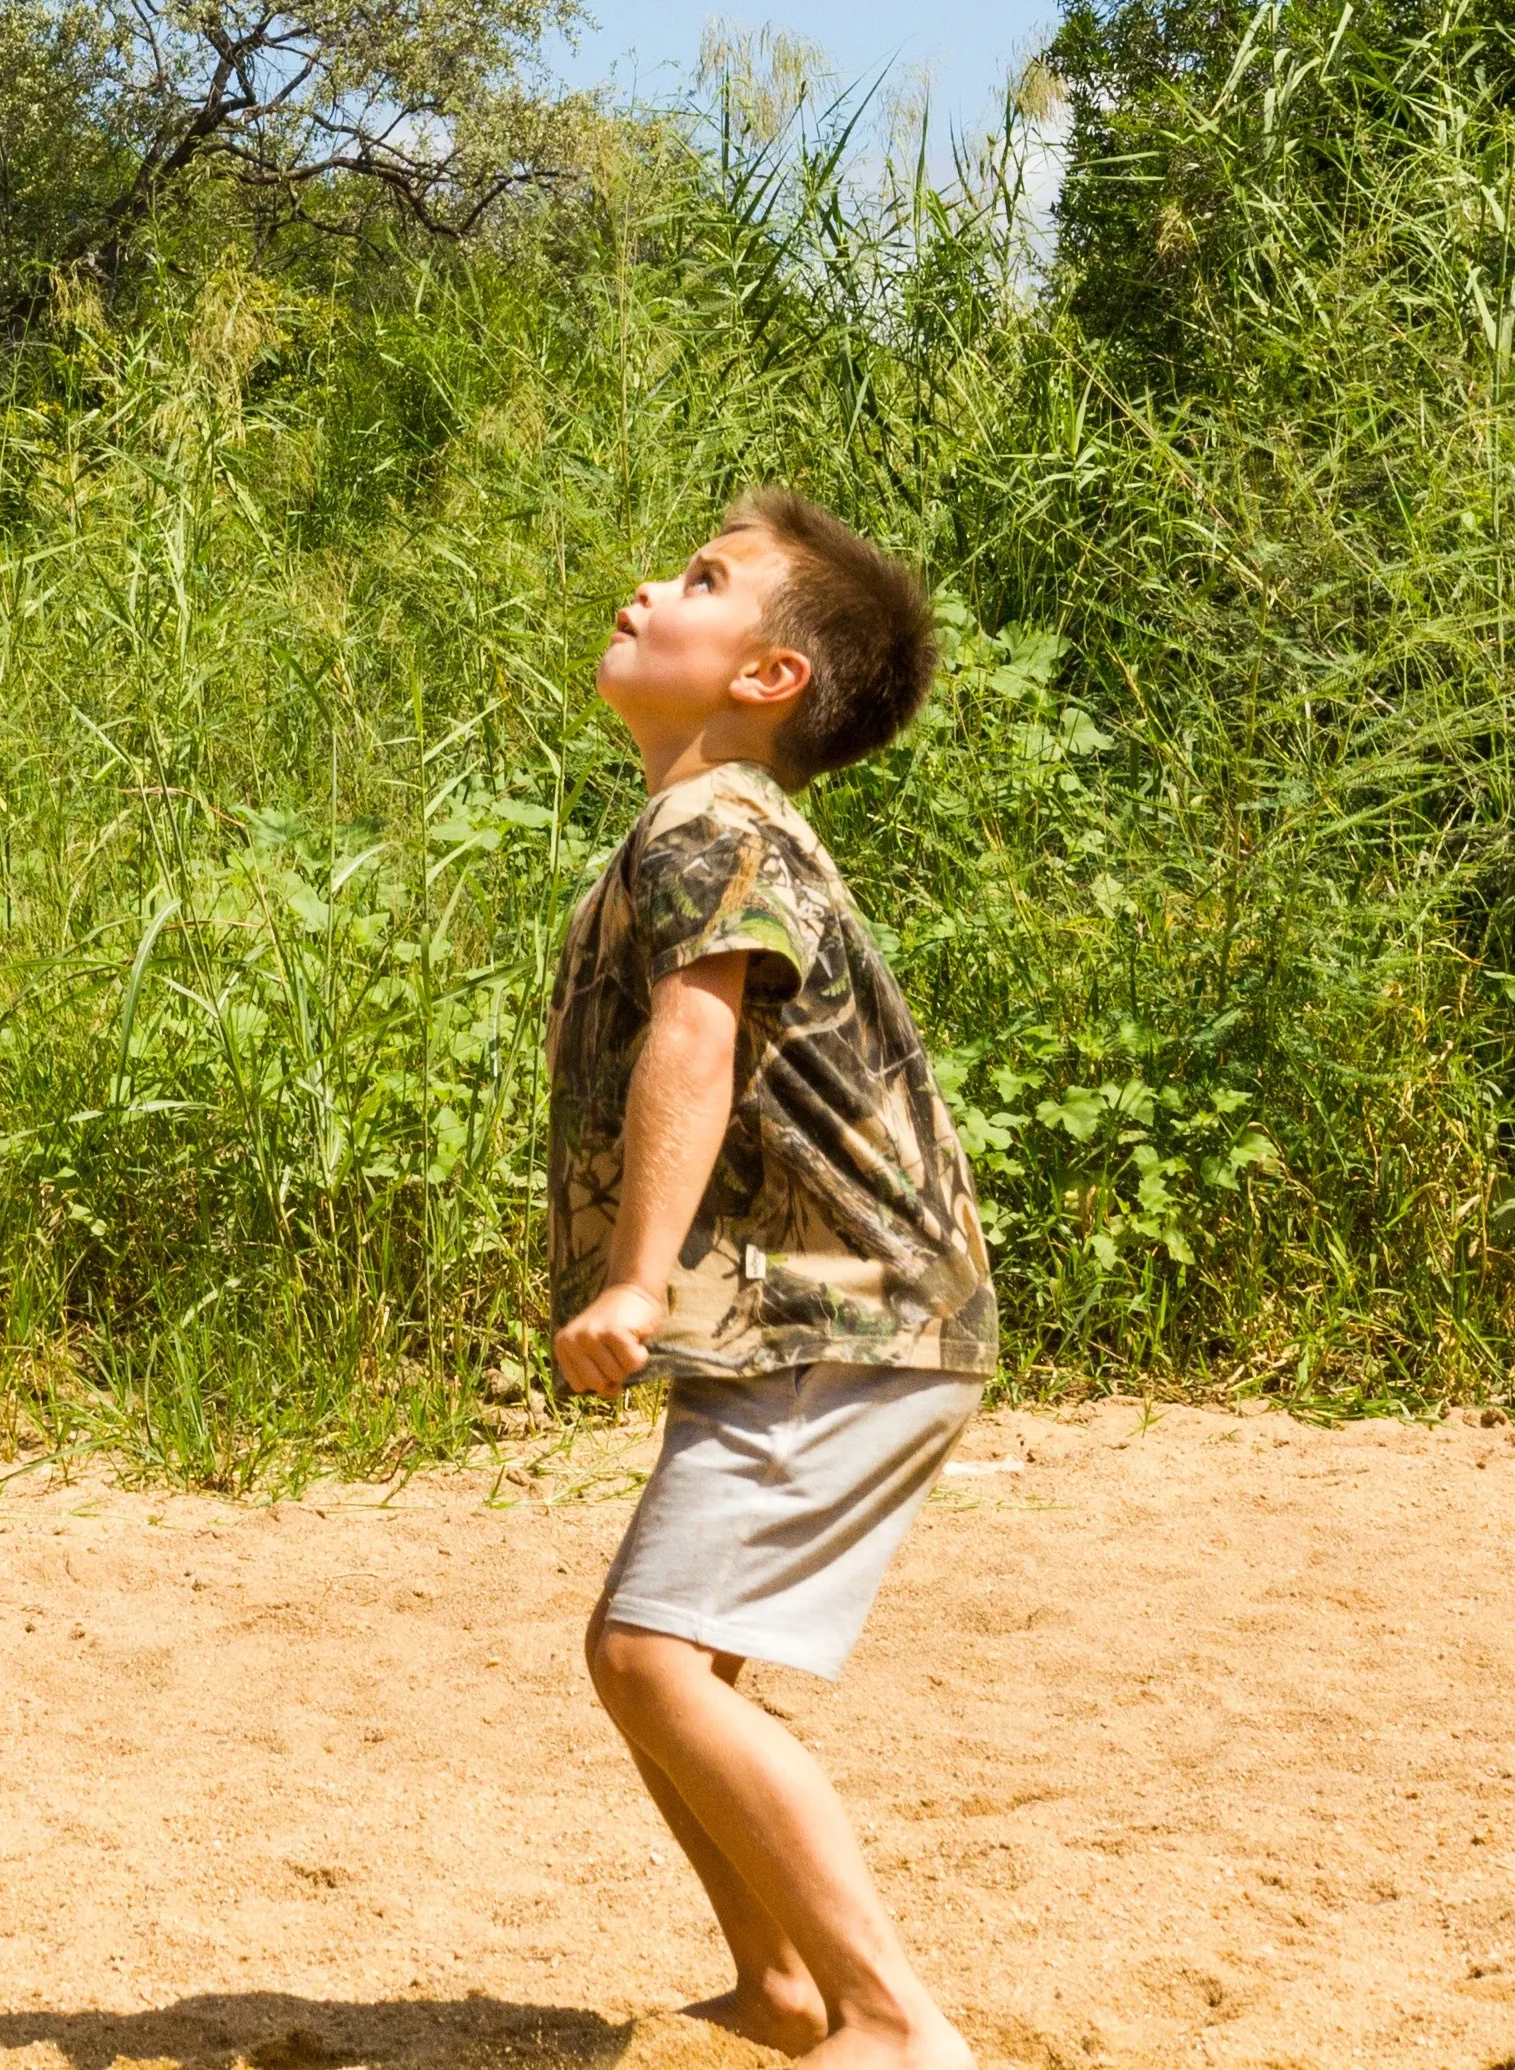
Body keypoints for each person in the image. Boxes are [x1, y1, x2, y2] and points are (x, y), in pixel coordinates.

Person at [548, 489, 992, 2070]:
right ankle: (783, 1988)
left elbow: (701, 1027)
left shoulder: (710, 822)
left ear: (769, 678)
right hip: (837, 1307)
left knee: (648, 1657)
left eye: (703, 577)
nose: (648, 584)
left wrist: (636, 1277)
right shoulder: (715, 819)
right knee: (668, 1654)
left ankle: (892, 2019)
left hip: (841, 1304)